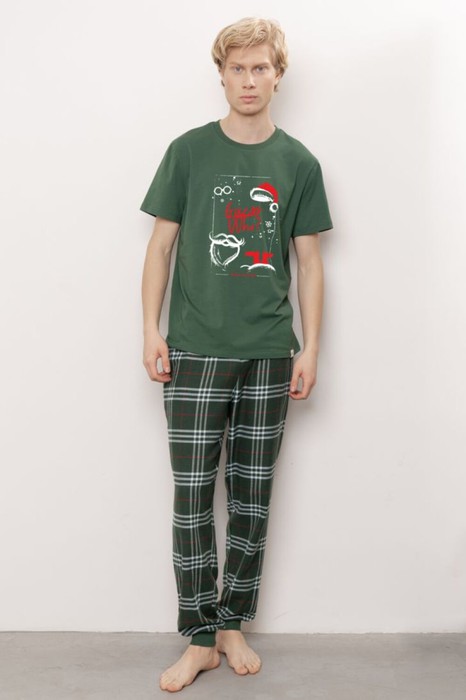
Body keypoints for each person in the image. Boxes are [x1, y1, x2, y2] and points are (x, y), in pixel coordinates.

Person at [139, 16, 333, 693]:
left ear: (278, 75)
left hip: (270, 352)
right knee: (193, 496)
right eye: (237, 68)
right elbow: (160, 247)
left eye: (260, 68)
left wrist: (311, 347)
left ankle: (231, 623)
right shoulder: (188, 152)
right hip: (194, 348)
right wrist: (150, 330)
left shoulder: (298, 163)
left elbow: (309, 263)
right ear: (221, 75)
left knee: (252, 497)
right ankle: (198, 638)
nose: (249, 80)